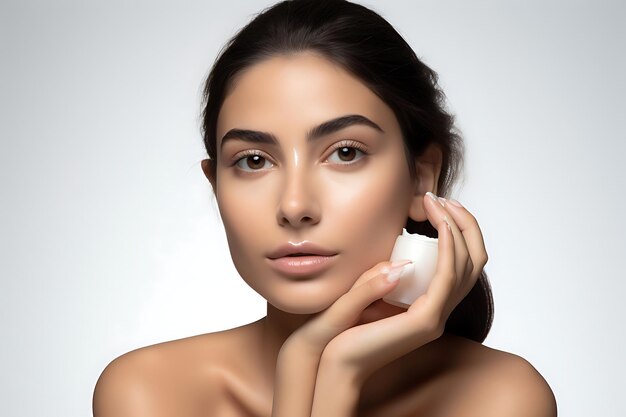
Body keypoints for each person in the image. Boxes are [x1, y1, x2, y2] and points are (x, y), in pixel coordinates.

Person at [93, 0, 557, 415]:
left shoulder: (501, 400)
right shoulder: (150, 394)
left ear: (421, 177)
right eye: (254, 161)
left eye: (346, 152)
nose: (294, 206)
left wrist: (339, 368)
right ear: (216, 185)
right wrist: (315, 374)